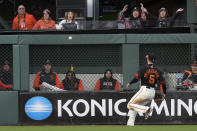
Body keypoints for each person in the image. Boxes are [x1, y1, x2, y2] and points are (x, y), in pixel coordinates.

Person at [126, 54, 166, 126]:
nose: (146, 59)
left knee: (129, 105)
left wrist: (130, 83)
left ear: (148, 59)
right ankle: (130, 124)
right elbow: (163, 83)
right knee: (135, 106)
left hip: (145, 90)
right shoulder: (159, 70)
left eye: (147, 58)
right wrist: (164, 93)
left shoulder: (144, 68)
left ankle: (146, 110)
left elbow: (136, 78)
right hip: (152, 93)